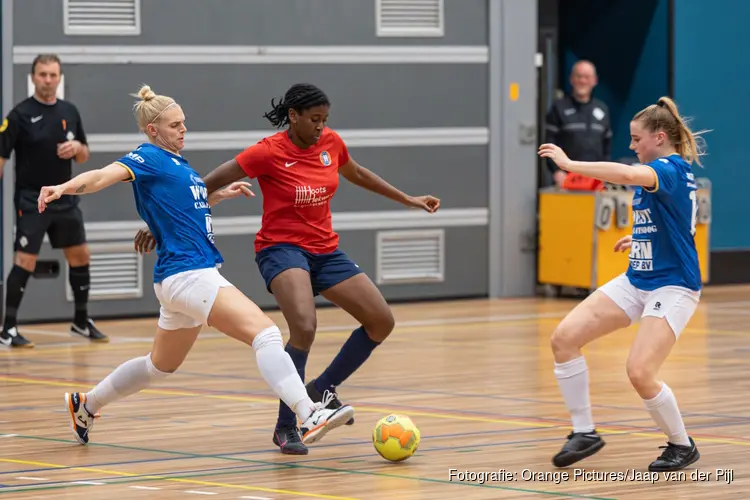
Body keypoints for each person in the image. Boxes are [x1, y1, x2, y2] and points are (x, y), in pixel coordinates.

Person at [39, 84, 355, 447]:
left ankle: (87, 404)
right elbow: (99, 177)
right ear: (153, 130)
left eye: (184, 123)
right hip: (190, 273)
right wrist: (63, 187)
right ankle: (309, 413)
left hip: (179, 277)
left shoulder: (179, 166)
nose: (183, 129)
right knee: (265, 334)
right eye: (175, 125)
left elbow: (183, 212)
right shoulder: (148, 157)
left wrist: (216, 195)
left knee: (159, 366)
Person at [134, 83, 440, 455]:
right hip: (281, 250)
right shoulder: (268, 151)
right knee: (304, 327)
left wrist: (408, 199)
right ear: (293, 117)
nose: (320, 127)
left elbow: (357, 173)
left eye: (325, 120)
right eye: (314, 119)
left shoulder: (331, 143)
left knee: (381, 321)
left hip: (325, 251)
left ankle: (320, 388)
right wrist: (158, 221)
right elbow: (205, 182)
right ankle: (286, 426)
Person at [538, 96, 705, 472]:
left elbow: (627, 175)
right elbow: (678, 221)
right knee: (564, 339)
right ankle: (584, 432)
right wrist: (640, 238)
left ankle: (682, 445)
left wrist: (568, 164)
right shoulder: (660, 170)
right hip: (638, 278)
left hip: (673, 285)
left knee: (640, 372)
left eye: (635, 139)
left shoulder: (670, 168)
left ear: (659, 138)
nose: (631, 147)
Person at [0, 53, 106, 348]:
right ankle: (7, 328)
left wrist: (77, 147)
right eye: (42, 74)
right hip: (33, 199)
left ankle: (81, 321)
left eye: (53, 75)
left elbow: (85, 155)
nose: (48, 80)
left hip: (65, 197)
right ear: (33, 77)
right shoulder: (18, 115)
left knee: (80, 255)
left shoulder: (70, 111)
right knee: (25, 260)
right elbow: (2, 158)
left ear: (59, 78)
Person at [544, 60, 612, 190]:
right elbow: (549, 144)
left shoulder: (602, 109)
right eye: (579, 76)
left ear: (594, 81)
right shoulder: (558, 108)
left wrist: (606, 175)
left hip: (595, 181)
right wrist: (556, 171)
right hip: (566, 180)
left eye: (587, 77)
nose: (582, 81)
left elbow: (607, 147)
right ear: (571, 79)